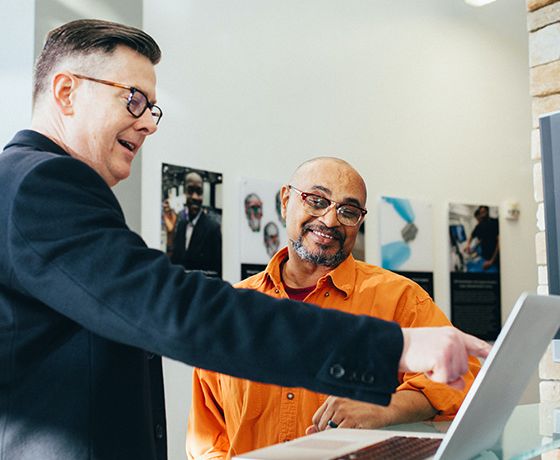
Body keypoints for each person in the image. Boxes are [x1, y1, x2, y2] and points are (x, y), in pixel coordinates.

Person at [0, 19, 489, 460]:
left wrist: (389, 405)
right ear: (66, 92)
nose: (148, 121)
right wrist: (392, 348)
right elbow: (177, 311)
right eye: (133, 99)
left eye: (153, 108)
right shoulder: (44, 185)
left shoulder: (27, 184)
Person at [187, 157, 482, 459]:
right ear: (286, 200)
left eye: (348, 211)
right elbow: (209, 439)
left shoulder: (401, 298)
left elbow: (462, 381)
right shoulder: (231, 310)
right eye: (316, 200)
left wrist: (385, 407)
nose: (330, 221)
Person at [171, 171, 222, 277]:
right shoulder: (181, 225)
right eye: (190, 191)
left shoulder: (213, 228)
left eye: (199, 192)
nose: (194, 197)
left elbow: (217, 272)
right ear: (184, 192)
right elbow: (175, 262)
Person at [464, 205, 500, 272]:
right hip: (485, 257)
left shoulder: (494, 222)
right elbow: (472, 235)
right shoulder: (479, 226)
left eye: (484, 212)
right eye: (481, 213)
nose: (482, 215)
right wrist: (468, 245)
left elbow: (499, 242)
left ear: (487, 212)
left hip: (495, 259)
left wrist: (491, 261)